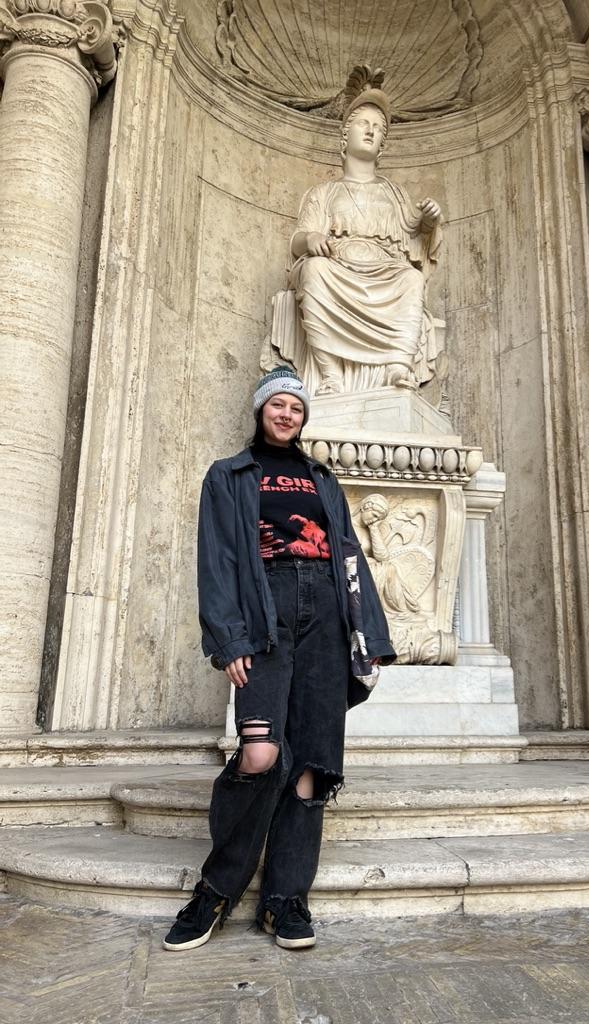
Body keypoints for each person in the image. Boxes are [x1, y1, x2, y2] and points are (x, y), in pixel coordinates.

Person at [163, 366, 395, 952]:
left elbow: (349, 554)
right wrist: (229, 640)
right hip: (264, 614)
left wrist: (370, 631)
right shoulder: (229, 475)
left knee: (310, 767)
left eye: (296, 406)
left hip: (326, 616)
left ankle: (286, 898)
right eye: (278, 404)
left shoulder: (322, 478)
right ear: (261, 410)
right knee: (261, 754)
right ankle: (216, 889)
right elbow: (216, 562)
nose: (287, 414)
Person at [284, 88, 443, 394]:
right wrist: (312, 238)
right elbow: (298, 240)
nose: (372, 130)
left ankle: (398, 364)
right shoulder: (324, 192)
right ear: (344, 137)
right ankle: (331, 375)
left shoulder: (394, 194)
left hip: (385, 271)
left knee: (411, 279)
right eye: (364, 124)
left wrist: (430, 220)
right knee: (314, 271)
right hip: (339, 268)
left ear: (383, 144)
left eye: (379, 128)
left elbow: (416, 237)